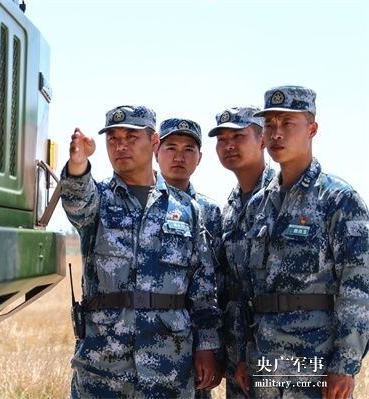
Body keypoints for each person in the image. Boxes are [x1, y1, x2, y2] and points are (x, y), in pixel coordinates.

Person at [60, 105, 222, 398]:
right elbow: (75, 201)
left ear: (154, 142)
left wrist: (207, 346)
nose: (121, 145)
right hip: (103, 366)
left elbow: (203, 287)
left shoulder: (186, 209)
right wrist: (78, 162)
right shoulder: (99, 201)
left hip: (169, 365)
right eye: (112, 139)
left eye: (131, 137)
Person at [235, 86, 369, 399]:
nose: (276, 133)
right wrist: (242, 355)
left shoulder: (339, 200)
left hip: (316, 362)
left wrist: (345, 364)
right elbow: (247, 289)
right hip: (265, 361)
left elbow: (358, 288)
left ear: (312, 129)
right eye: (269, 125)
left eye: (287, 123)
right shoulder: (257, 206)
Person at [207, 106, 276, 398]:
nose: (229, 145)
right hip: (238, 358)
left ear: (263, 141)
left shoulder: (283, 198)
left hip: (277, 355)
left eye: (238, 135)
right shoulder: (230, 208)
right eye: (221, 139)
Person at [154, 118, 224, 399]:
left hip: (193, 342)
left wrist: (209, 345)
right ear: (156, 151)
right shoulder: (141, 205)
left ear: (200, 158)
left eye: (188, 149)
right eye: (171, 147)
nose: (179, 157)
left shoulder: (209, 211)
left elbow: (215, 280)